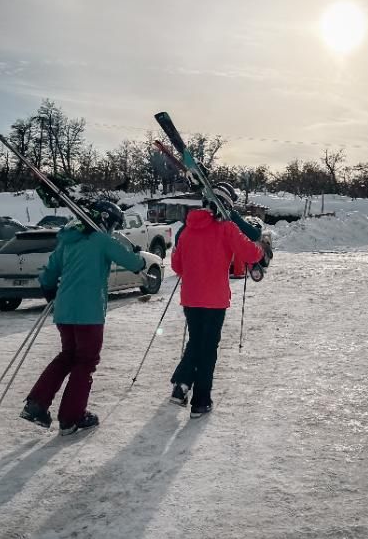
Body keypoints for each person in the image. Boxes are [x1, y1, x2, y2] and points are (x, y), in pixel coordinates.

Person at [20, 200, 149, 434]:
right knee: (86, 361)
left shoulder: (69, 239)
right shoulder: (101, 240)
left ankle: (36, 404)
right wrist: (139, 258)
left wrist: (48, 289)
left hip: (64, 309)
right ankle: (72, 417)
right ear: (106, 221)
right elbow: (130, 261)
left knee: (68, 356)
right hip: (89, 312)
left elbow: (50, 272)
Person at [168, 182, 264, 417]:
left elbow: (176, 266)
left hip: (190, 298)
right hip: (214, 299)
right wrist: (264, 250)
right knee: (208, 348)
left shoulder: (187, 229)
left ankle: (181, 385)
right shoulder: (227, 229)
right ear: (227, 207)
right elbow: (250, 253)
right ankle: (201, 401)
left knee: (196, 342)